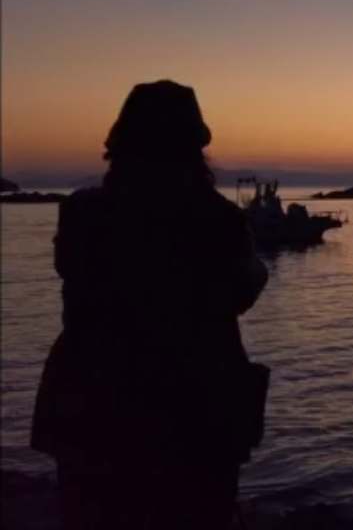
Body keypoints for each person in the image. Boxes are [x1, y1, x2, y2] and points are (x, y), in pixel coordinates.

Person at [30, 80, 270, 530]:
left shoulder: (83, 212)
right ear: (195, 146)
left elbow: (74, 270)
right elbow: (243, 290)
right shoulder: (218, 218)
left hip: (90, 408)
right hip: (195, 411)